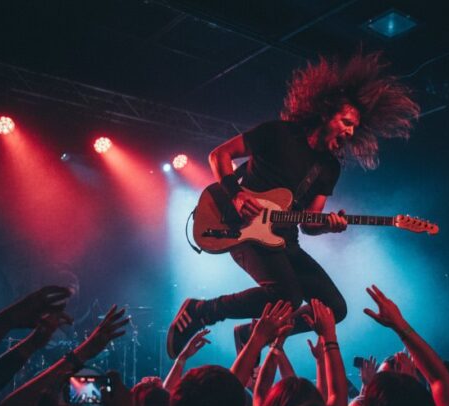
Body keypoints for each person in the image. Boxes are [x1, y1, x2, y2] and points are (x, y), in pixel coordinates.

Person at [166, 52, 420, 357]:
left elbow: (309, 223)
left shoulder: (329, 168)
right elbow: (218, 156)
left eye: (355, 128)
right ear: (327, 113)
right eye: (346, 122)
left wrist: (330, 227)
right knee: (288, 295)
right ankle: (203, 310)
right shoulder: (278, 134)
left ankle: (252, 333)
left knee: (334, 308)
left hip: (284, 240)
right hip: (240, 229)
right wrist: (237, 193)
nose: (350, 132)